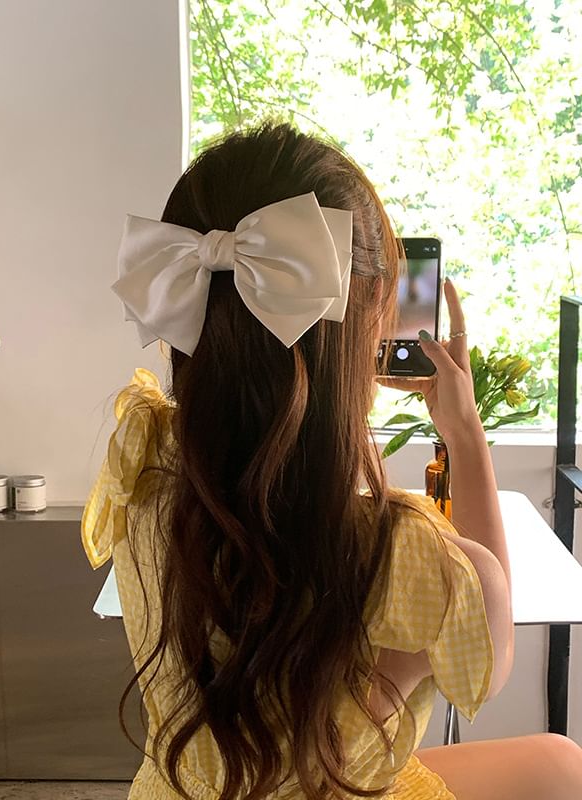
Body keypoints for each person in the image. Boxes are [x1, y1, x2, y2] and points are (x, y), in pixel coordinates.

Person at [81, 122, 582, 799]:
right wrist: (465, 432)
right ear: (373, 315)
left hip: (184, 788)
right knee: (561, 764)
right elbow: (488, 662)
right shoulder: (400, 558)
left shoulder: (142, 467)